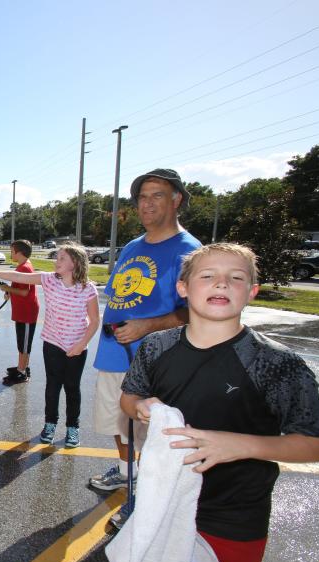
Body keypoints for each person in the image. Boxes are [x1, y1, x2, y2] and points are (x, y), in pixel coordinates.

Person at [120, 243, 319, 562]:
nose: (222, 283)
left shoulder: (275, 362)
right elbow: (129, 397)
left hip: (233, 519)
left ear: (252, 291)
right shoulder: (156, 346)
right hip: (163, 508)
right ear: (182, 288)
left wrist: (241, 445)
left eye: (236, 277)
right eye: (208, 275)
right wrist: (141, 406)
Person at [87, 169, 202, 528]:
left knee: (153, 434)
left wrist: (147, 325)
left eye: (157, 195)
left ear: (177, 199)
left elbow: (196, 310)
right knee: (118, 425)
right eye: (142, 197)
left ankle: (146, 503)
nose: (147, 203)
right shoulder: (133, 247)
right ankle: (126, 473)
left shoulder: (190, 251)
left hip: (157, 361)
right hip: (113, 353)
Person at [0, 244, 99, 448]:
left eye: (62, 258)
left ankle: (72, 428)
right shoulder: (49, 280)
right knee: (52, 387)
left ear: (75, 263)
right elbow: (19, 278)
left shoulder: (88, 288)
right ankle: (50, 424)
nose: (56, 261)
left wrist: (81, 344)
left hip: (76, 347)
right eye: (57, 257)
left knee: (72, 388)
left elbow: (94, 320)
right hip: (52, 344)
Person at [2, 240, 39, 386]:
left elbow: (24, 292)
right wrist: (9, 292)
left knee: (24, 344)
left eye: (12, 251)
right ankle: (21, 367)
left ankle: (22, 372)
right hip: (22, 312)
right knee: (22, 343)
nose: (11, 254)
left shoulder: (24, 269)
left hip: (27, 313)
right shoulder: (22, 266)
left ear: (19, 253)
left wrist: (8, 289)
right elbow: (20, 289)